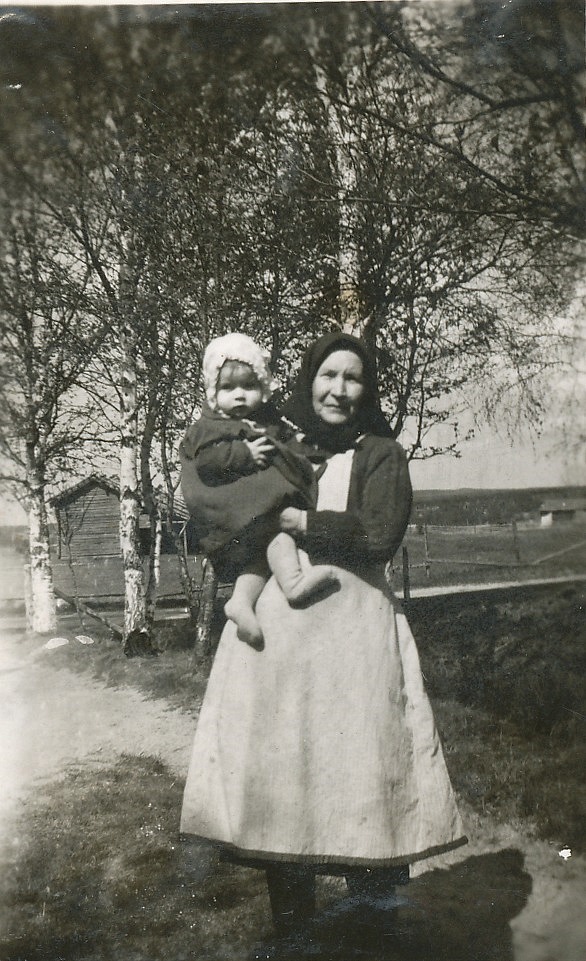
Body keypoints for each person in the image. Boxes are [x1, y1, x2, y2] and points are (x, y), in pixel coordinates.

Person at [180, 332, 467, 959]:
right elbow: (217, 507)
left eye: (353, 377)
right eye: (327, 375)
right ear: (307, 381)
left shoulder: (381, 453)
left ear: (367, 390)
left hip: (356, 640)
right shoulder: (283, 446)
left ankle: (375, 935)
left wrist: (297, 521)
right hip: (285, 645)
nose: (338, 389)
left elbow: (378, 535)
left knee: (366, 779)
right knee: (290, 784)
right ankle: (296, 939)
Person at [179, 332, 339, 649]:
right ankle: (292, 581)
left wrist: (315, 451)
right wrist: (243, 454)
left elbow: (290, 444)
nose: (239, 395)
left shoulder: (267, 421)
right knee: (280, 529)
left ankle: (240, 602)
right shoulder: (209, 426)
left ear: (262, 388)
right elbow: (207, 462)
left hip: (249, 523)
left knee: (260, 557)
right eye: (228, 388)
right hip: (233, 513)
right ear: (213, 391)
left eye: (248, 386)